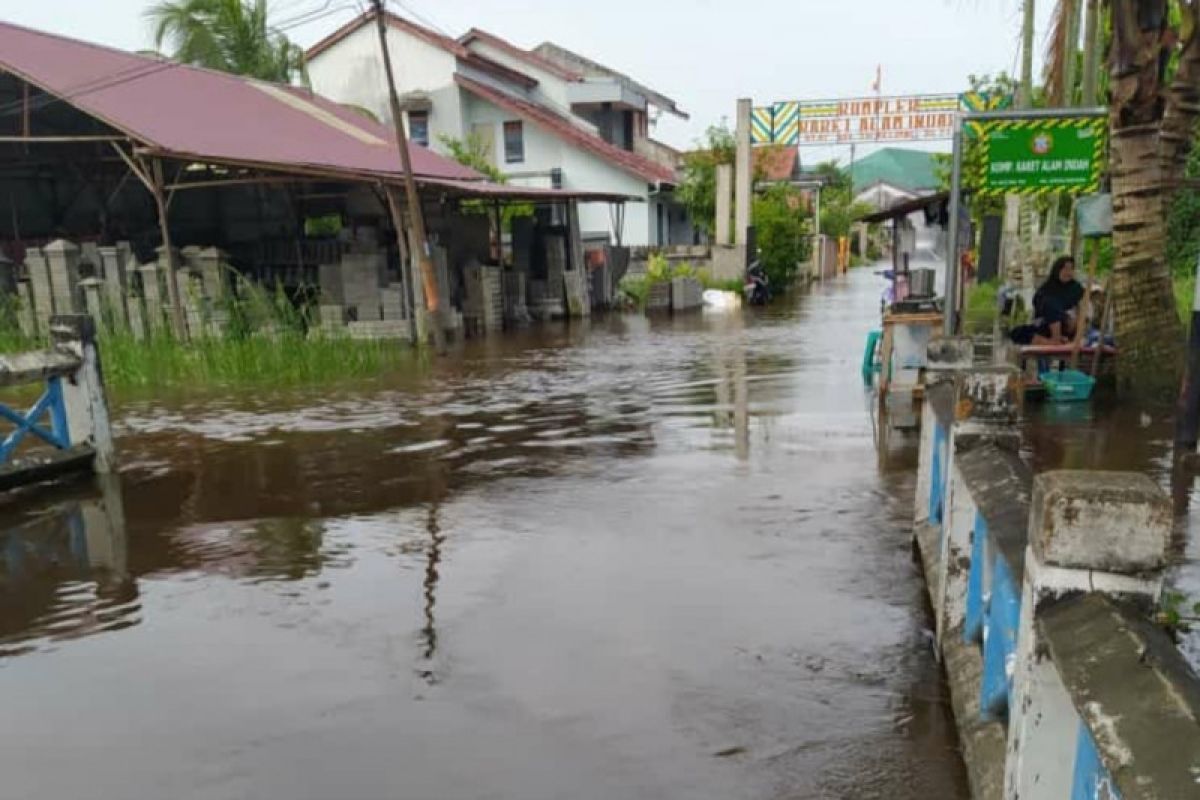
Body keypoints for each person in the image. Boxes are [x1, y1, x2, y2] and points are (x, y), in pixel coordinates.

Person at [1010, 256, 1085, 345]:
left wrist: (1076, 329)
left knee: (1052, 304)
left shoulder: (1076, 289)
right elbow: (1038, 304)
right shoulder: (1047, 288)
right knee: (1017, 332)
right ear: (1057, 270)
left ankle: (1057, 340)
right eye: (1065, 269)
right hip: (1046, 324)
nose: (1068, 272)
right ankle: (1055, 343)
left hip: (1069, 325)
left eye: (1071, 269)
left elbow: (1083, 311)